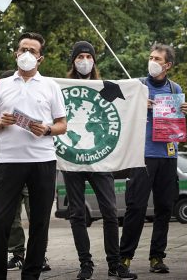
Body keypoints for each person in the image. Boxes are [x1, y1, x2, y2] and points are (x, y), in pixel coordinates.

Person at [0, 32, 67, 280]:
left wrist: (48, 129)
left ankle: (31, 274)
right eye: (23, 49)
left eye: (33, 51)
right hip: (9, 162)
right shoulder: (1, 85)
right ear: (16, 53)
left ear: (40, 58)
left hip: (42, 161)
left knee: (40, 223)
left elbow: (63, 124)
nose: (27, 54)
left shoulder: (51, 86)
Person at [118, 43, 187, 277]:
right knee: (136, 207)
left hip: (168, 155)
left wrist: (182, 110)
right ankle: (124, 257)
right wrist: (137, 105)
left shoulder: (175, 88)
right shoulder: (137, 85)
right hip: (142, 155)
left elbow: (178, 122)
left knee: (165, 208)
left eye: (157, 59)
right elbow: (119, 109)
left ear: (167, 65)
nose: (152, 62)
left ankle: (157, 257)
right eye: (151, 57)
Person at [61, 41, 126, 279]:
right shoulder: (62, 87)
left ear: (94, 61)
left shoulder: (104, 87)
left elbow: (123, 110)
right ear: (73, 60)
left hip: (100, 158)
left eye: (89, 56)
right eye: (80, 56)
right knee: (77, 213)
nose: (85, 60)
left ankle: (114, 264)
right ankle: (85, 264)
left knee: (110, 210)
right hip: (73, 159)